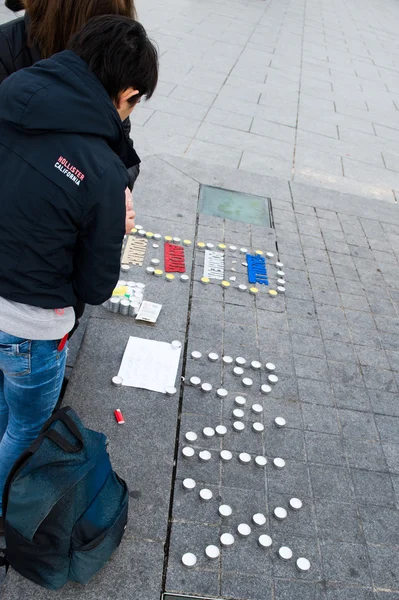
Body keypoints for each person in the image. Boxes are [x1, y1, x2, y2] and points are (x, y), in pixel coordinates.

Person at [0, 14, 159, 530]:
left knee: (6, 401)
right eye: (135, 103)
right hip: (29, 325)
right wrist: (110, 223)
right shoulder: (102, 167)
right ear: (127, 92)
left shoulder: (9, 96)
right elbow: (95, 285)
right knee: (27, 424)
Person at [0, 0, 140, 191]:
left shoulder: (108, 57)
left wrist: (120, 189)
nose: (115, 38)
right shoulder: (8, 49)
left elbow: (123, 148)